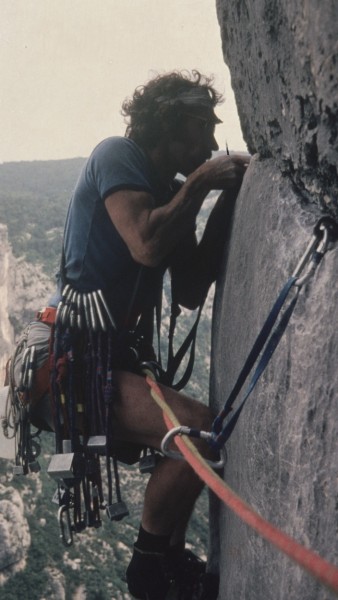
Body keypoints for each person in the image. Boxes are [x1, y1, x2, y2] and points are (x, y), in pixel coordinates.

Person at [10, 70, 249, 599]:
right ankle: (148, 569)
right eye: (199, 129)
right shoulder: (117, 153)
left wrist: (230, 200)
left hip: (96, 355)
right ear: (166, 123)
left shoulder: (168, 192)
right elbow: (143, 244)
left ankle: (165, 562)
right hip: (67, 356)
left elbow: (187, 287)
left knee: (193, 439)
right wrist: (205, 181)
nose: (209, 142)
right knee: (196, 436)